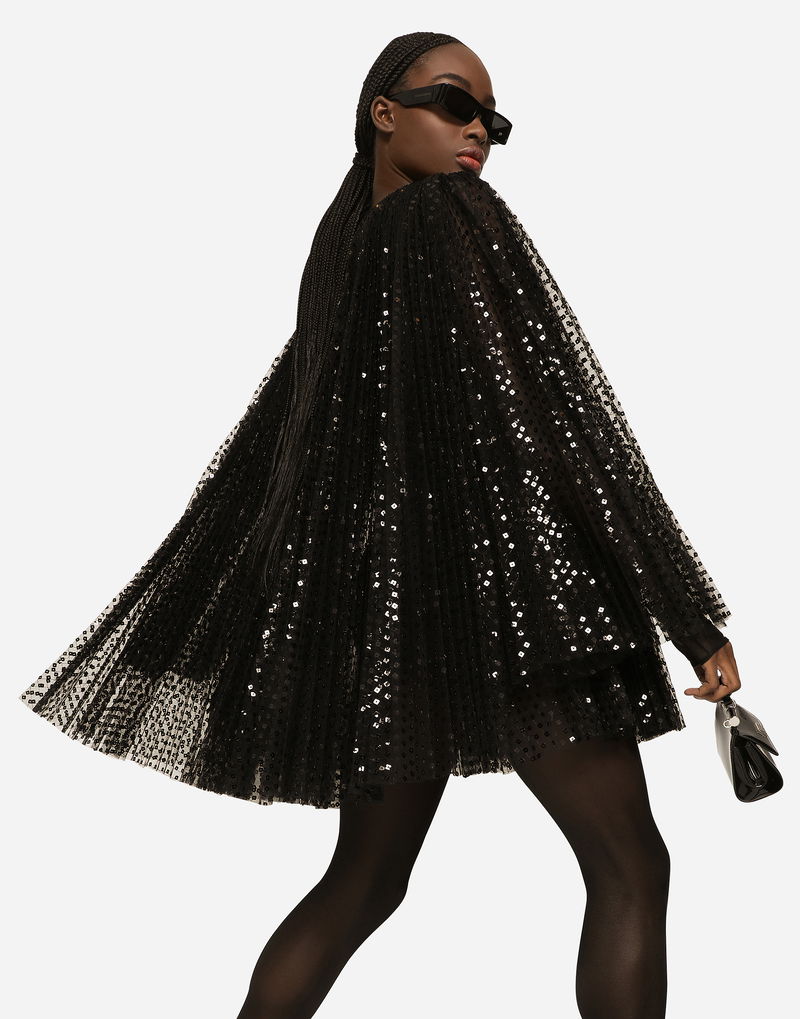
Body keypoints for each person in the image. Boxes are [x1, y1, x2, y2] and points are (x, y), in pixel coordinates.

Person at [18, 31, 742, 1019]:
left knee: (363, 882)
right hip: (509, 606)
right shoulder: (453, 216)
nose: (477, 131)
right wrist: (684, 613)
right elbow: (558, 420)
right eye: (455, 102)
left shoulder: (341, 244)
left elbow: (294, 447)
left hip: (385, 625)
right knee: (629, 865)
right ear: (383, 111)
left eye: (492, 120)